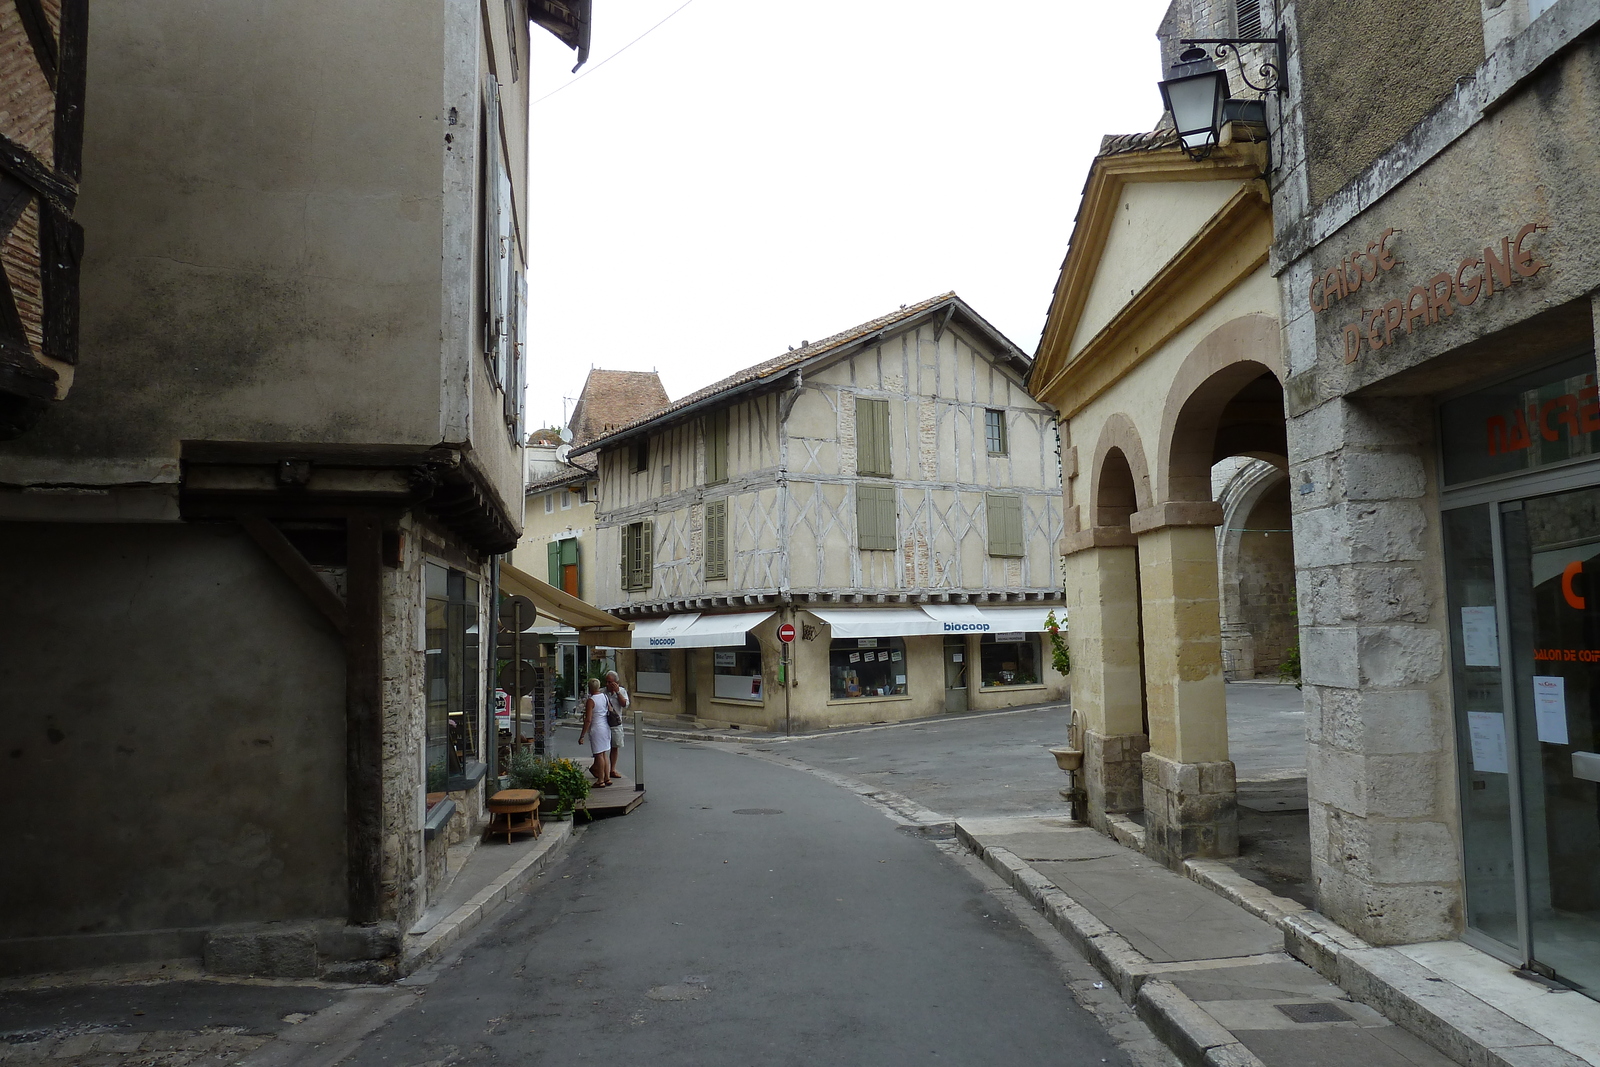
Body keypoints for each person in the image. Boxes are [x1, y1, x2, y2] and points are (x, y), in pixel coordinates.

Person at [577, 678, 612, 787]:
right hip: (606, 727)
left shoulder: (591, 701)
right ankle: (607, 777)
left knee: (598, 755)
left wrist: (582, 735)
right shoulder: (605, 697)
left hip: (596, 729)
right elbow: (610, 709)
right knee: (605, 753)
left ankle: (600, 780)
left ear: (590, 688)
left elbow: (588, 719)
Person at [604, 670, 630, 779]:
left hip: (616, 723)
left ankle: (612, 769)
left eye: (610, 682)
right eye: (606, 682)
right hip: (604, 722)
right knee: (603, 748)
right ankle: (603, 770)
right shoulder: (602, 692)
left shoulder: (622, 691)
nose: (607, 684)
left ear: (615, 682)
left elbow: (625, 704)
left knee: (615, 746)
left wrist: (617, 692)